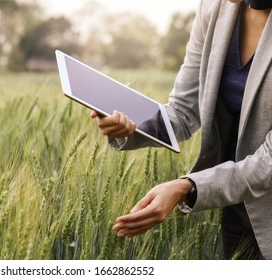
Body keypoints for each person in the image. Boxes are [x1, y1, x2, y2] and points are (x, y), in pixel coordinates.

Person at [90, 0, 272, 259]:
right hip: (237, 208)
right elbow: (184, 109)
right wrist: (129, 127)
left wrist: (188, 187)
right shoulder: (214, 8)